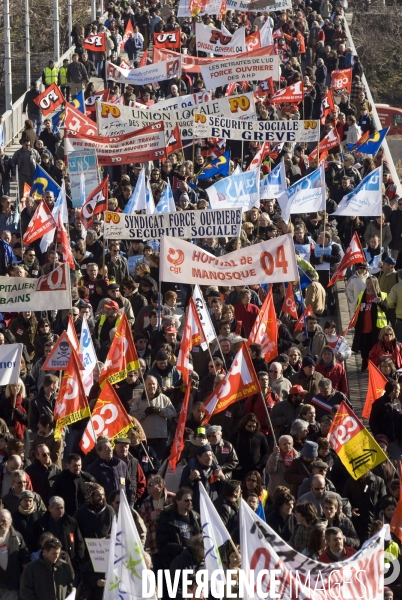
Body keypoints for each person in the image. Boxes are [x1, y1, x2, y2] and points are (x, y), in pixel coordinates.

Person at [155, 487, 201, 568]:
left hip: (194, 561)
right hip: (175, 562)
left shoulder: (196, 517)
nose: (189, 503)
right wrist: (182, 550)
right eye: (186, 500)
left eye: (190, 500)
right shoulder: (166, 518)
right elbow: (163, 543)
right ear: (177, 501)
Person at [352, 276, 388, 371]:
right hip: (364, 327)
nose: (367, 284)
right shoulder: (362, 295)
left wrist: (380, 302)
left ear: (374, 284)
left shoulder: (381, 295)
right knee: (364, 349)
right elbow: (356, 310)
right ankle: (365, 362)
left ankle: (374, 367)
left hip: (376, 328)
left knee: (375, 348)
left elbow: (386, 309)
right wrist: (360, 308)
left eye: (369, 283)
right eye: (366, 282)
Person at [86, 439, 133, 503]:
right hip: (105, 506)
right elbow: (91, 490)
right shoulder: (93, 468)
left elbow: (128, 484)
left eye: (110, 447)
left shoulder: (121, 465)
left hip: (122, 504)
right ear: (99, 452)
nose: (110, 450)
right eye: (106, 449)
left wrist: (129, 500)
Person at [0, 509, 30, 599]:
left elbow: (24, 557)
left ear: (10, 522)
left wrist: (25, 578)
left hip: (11, 584)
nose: (0, 523)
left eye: (4, 521)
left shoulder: (17, 537)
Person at [230, 414, 270, 482]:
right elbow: (230, 451)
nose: (252, 428)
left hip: (255, 471)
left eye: (254, 426)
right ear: (244, 425)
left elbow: (266, 452)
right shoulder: (236, 435)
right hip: (240, 471)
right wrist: (237, 466)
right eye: (249, 426)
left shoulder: (260, 436)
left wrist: (259, 466)